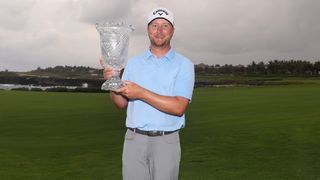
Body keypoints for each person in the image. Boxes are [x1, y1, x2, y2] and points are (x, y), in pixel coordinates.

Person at [103, 7, 195, 180]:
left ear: (172, 30)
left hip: (166, 141)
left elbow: (179, 107)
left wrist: (141, 93)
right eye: (154, 25)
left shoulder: (184, 65)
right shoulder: (132, 63)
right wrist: (113, 82)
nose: (159, 31)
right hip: (133, 140)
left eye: (165, 26)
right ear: (147, 30)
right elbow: (121, 104)